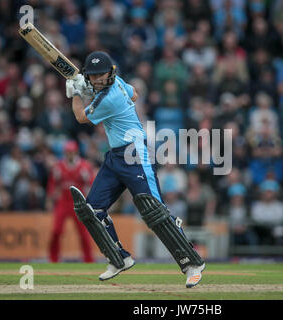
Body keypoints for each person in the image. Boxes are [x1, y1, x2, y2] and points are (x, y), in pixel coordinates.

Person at [65, 51, 205, 288]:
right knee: (92, 209)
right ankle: (118, 258)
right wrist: (91, 90)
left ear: (111, 72)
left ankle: (192, 263)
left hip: (136, 154)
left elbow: (80, 117)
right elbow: (135, 94)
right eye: (93, 75)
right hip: (116, 156)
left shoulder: (109, 98)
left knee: (155, 211)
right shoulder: (118, 83)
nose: (98, 79)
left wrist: (77, 93)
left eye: (101, 75)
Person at [47, 140, 95, 263]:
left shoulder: (84, 166)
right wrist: (50, 198)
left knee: (84, 233)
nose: (70, 154)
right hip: (63, 202)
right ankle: (53, 258)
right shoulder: (58, 167)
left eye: (72, 152)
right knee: (56, 230)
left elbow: (91, 184)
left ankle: (88, 260)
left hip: (79, 204)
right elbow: (52, 184)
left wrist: (90, 202)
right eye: (68, 152)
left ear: (76, 152)